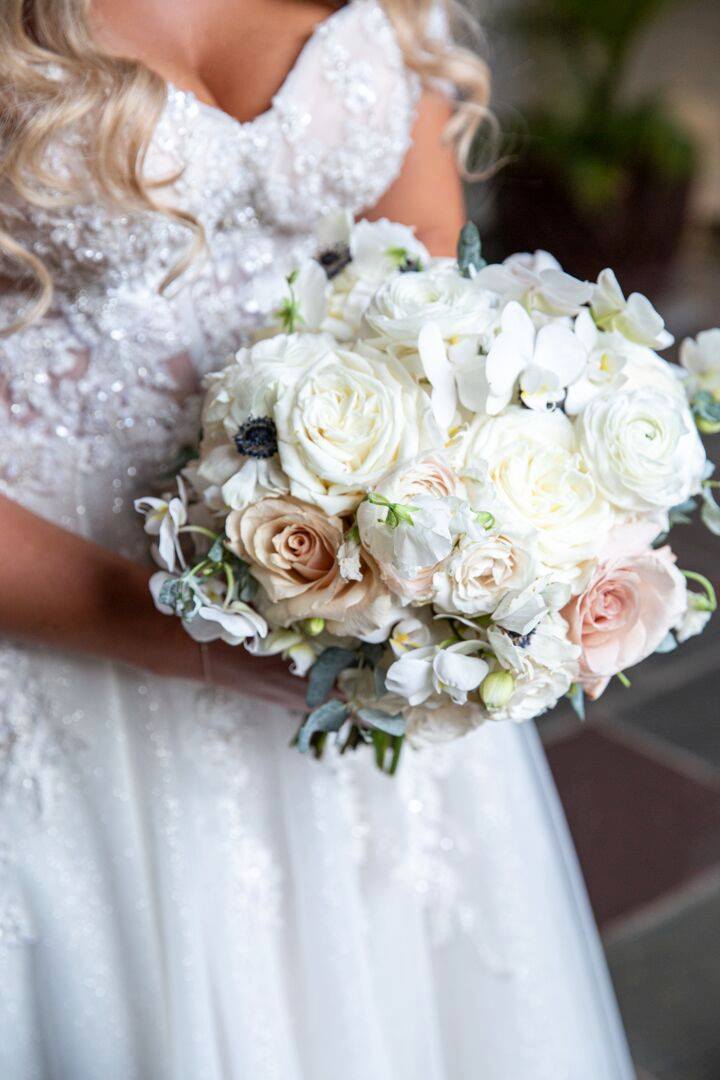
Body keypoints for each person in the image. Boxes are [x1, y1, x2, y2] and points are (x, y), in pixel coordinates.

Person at [0, 1, 634, 1076]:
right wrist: (184, 636)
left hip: (347, 597)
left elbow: (426, 269)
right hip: (59, 628)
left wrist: (496, 492)